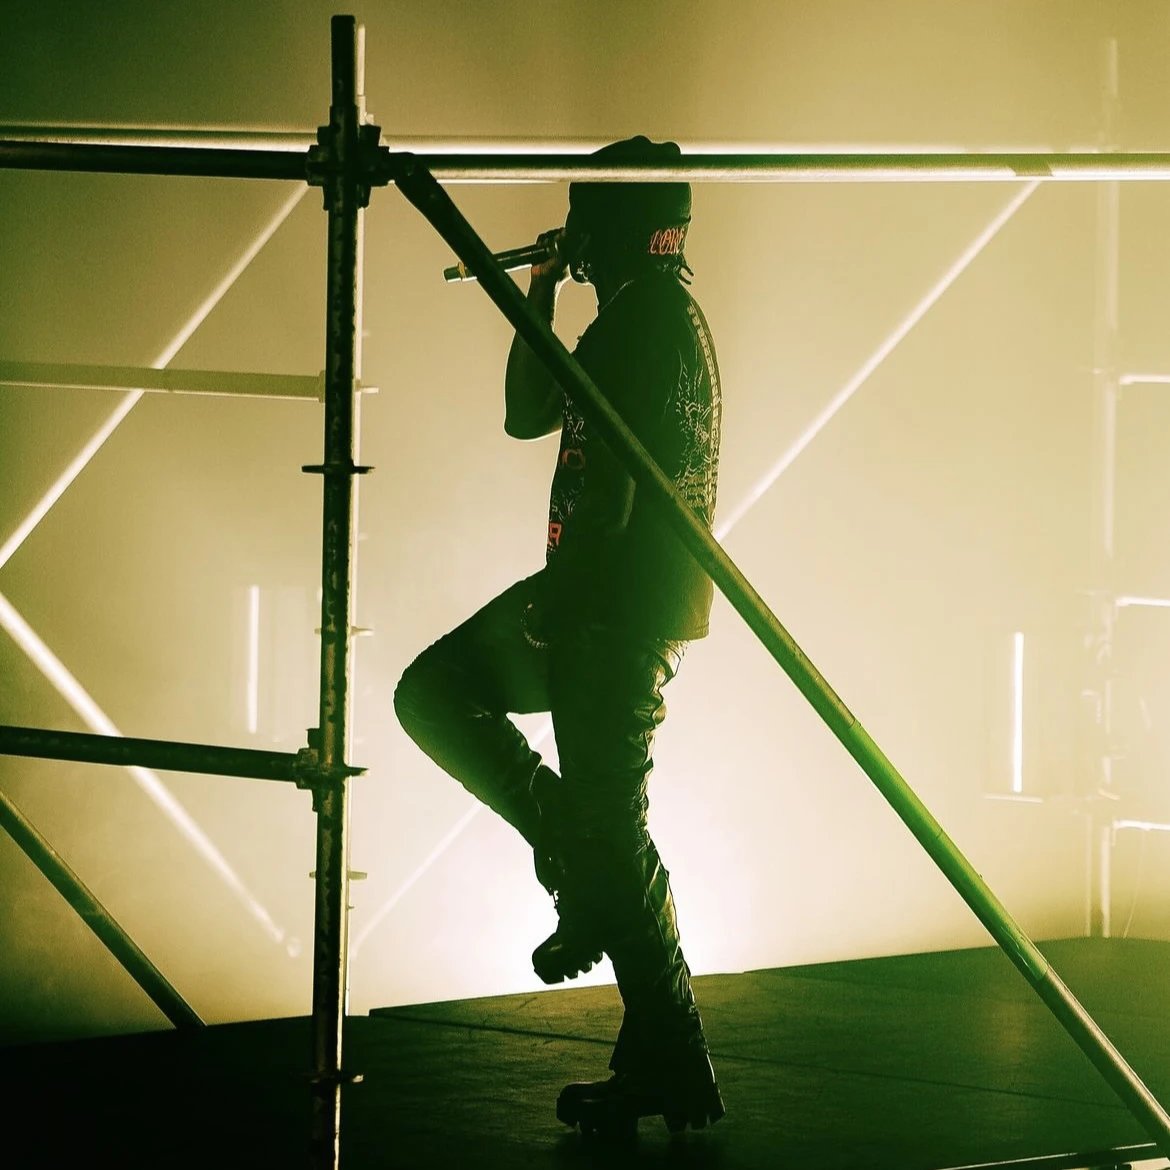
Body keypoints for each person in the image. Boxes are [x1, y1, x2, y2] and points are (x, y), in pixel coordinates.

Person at [393, 136, 725, 1134]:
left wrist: (566, 596)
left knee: (596, 815)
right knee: (596, 818)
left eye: (582, 221)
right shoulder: (645, 314)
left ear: (609, 228)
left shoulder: (643, 323)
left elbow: (613, 489)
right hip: (616, 598)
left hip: (611, 604)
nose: (570, 234)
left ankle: (674, 1058)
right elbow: (527, 411)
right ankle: (657, 1043)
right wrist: (537, 289)